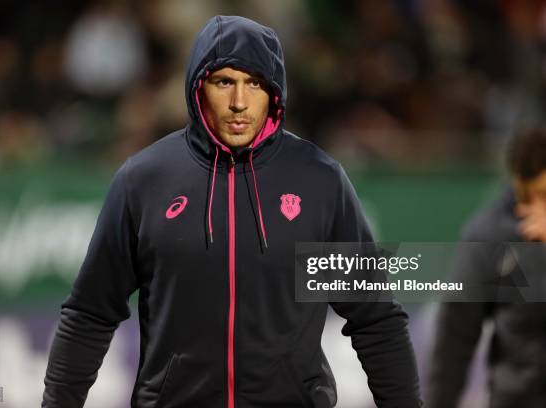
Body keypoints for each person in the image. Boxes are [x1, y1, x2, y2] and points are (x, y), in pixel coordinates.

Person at [42, 15, 421, 408]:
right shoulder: (143, 180)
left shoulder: (320, 180)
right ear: (197, 87)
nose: (239, 102)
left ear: (274, 93)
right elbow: (89, 314)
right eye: (224, 81)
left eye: (254, 83)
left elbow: (375, 320)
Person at [425, 128, 546, 408]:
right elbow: (455, 337)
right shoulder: (490, 234)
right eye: (525, 197)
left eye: (544, 195)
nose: (534, 209)